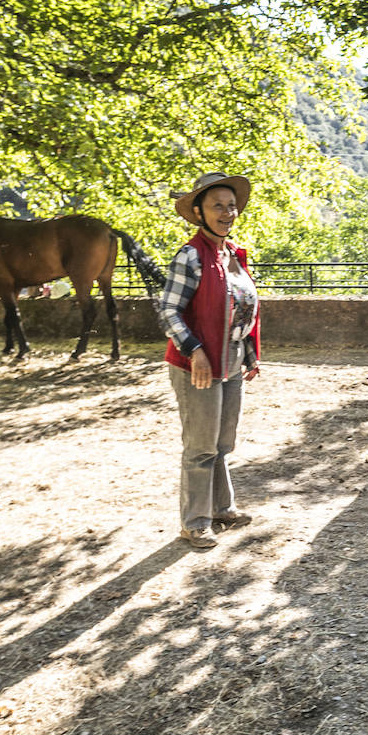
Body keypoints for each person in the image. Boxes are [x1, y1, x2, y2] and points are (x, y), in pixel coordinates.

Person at [156, 172, 262, 550]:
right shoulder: (190, 256)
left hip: (230, 358)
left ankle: (221, 508)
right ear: (199, 213)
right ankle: (194, 522)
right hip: (197, 363)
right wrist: (194, 350)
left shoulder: (232, 254)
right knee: (201, 446)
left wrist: (249, 353)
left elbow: (241, 309)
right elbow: (169, 310)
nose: (227, 213)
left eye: (231, 205)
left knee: (223, 442)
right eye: (217, 206)